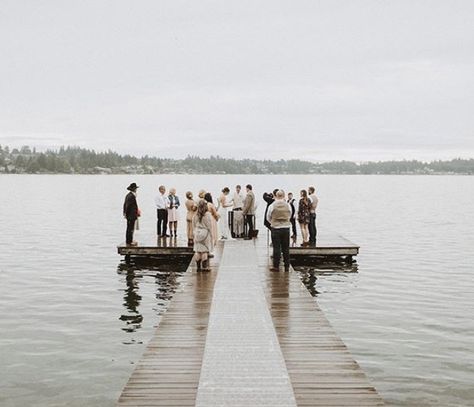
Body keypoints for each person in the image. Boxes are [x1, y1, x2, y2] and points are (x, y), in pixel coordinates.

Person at [267, 190, 291, 272]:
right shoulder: (288, 205)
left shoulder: (272, 205)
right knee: (286, 248)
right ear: (284, 196)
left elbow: (268, 216)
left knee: (276, 248)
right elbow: (290, 214)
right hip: (286, 228)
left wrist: (273, 222)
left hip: (276, 228)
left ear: (276, 196)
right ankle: (287, 266)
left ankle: (276, 266)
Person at [192, 200, 213, 271]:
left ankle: (198, 267)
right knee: (204, 251)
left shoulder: (195, 215)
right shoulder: (207, 215)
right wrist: (211, 234)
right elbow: (209, 226)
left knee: (197, 250)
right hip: (205, 233)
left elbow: (193, 225)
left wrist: (194, 232)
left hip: (197, 232)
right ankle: (204, 267)